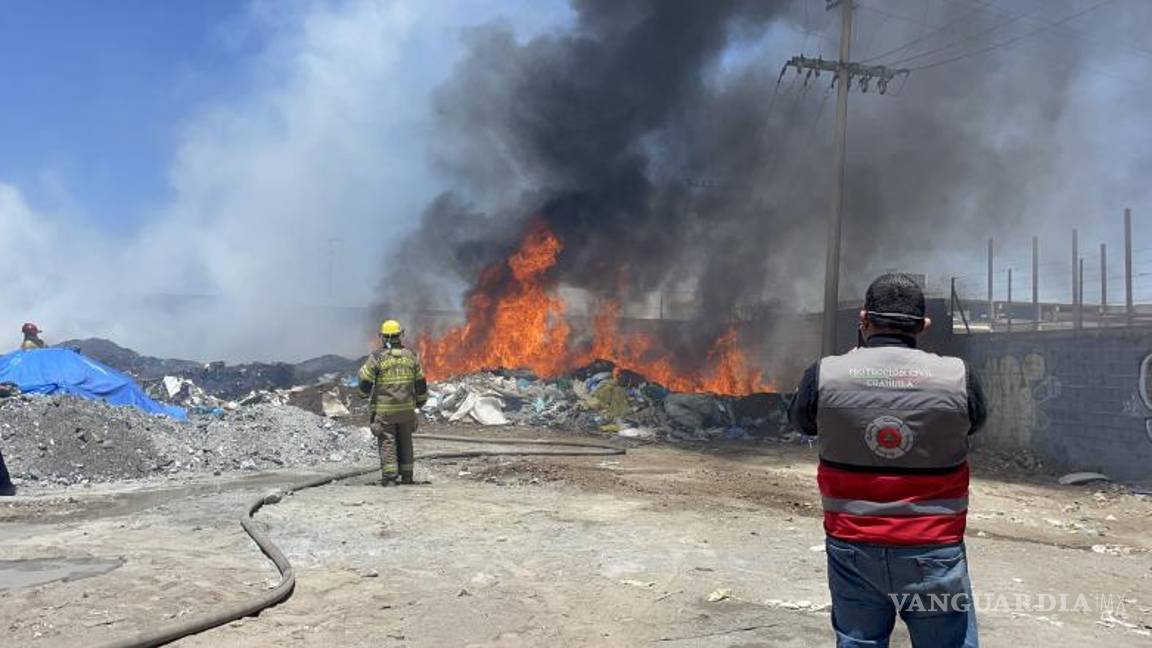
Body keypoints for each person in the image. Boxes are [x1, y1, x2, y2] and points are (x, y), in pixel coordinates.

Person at [789, 273, 987, 648]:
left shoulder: (825, 373)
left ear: (864, 319)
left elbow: (803, 422)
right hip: (933, 547)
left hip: (852, 544)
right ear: (923, 326)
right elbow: (973, 424)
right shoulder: (959, 376)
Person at [357, 319, 428, 486]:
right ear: (400, 335)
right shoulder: (411, 356)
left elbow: (366, 380)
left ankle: (390, 478)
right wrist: (420, 402)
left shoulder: (377, 357)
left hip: (386, 412)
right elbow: (420, 383)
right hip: (407, 411)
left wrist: (363, 394)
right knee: (406, 441)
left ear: (384, 337)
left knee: (388, 441)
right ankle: (407, 476)